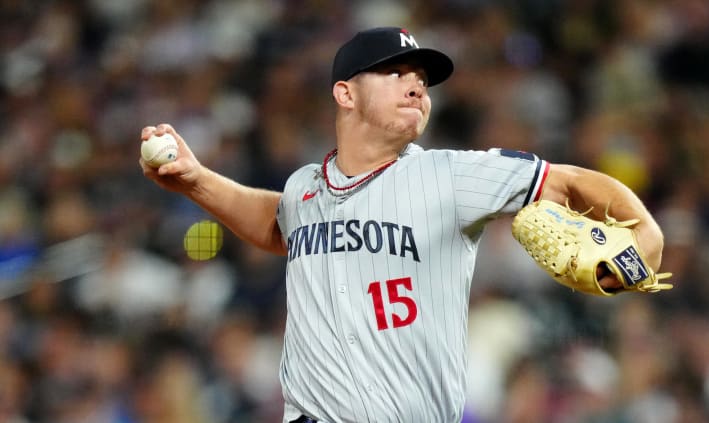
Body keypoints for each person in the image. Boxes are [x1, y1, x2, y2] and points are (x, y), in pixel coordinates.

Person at [140, 27, 667, 423]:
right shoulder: (305, 187)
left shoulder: (450, 176)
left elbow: (568, 180)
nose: (415, 86)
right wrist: (196, 181)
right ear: (345, 94)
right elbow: (279, 226)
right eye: (395, 73)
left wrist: (645, 236)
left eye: (421, 80)